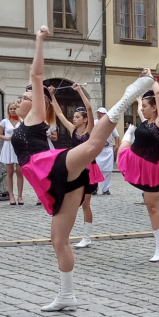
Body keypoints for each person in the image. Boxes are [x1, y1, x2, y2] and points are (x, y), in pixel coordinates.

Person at [11, 26, 152, 311]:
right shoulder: (21, 121)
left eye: (26, 98)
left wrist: (39, 40)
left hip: (49, 166)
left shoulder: (36, 116)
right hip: (51, 181)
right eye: (23, 98)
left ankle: (124, 101)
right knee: (58, 239)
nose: (21, 101)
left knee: (91, 147)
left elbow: (36, 75)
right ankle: (67, 295)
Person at [117, 72, 159, 261]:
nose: (142, 109)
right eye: (141, 106)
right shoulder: (147, 120)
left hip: (150, 168)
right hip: (133, 158)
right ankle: (129, 133)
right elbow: (142, 110)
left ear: (155, 109)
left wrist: (152, 80)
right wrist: (139, 97)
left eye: (144, 106)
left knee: (152, 208)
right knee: (122, 149)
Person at [66, 89, 103, 249]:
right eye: (73, 117)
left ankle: (86, 237)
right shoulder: (72, 131)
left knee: (85, 203)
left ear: (85, 120)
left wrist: (79, 90)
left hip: (90, 170)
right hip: (77, 170)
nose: (74, 119)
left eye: (77, 117)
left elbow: (89, 108)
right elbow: (59, 114)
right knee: (75, 203)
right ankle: (66, 233)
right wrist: (52, 96)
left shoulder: (89, 131)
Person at [0, 102, 24, 205]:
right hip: (8, 146)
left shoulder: (21, 121)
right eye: (11, 109)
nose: (13, 110)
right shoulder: (5, 121)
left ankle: (20, 196)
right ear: (8, 110)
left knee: (19, 171)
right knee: (9, 172)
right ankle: (11, 196)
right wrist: (7, 138)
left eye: (14, 108)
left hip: (19, 147)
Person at [95, 107, 118, 195]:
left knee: (107, 170)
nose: (99, 114)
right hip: (97, 148)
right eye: (98, 113)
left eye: (101, 113)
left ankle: (106, 189)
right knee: (96, 169)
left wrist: (117, 146)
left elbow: (116, 136)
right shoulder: (94, 123)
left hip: (108, 149)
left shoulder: (110, 124)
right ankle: (94, 188)